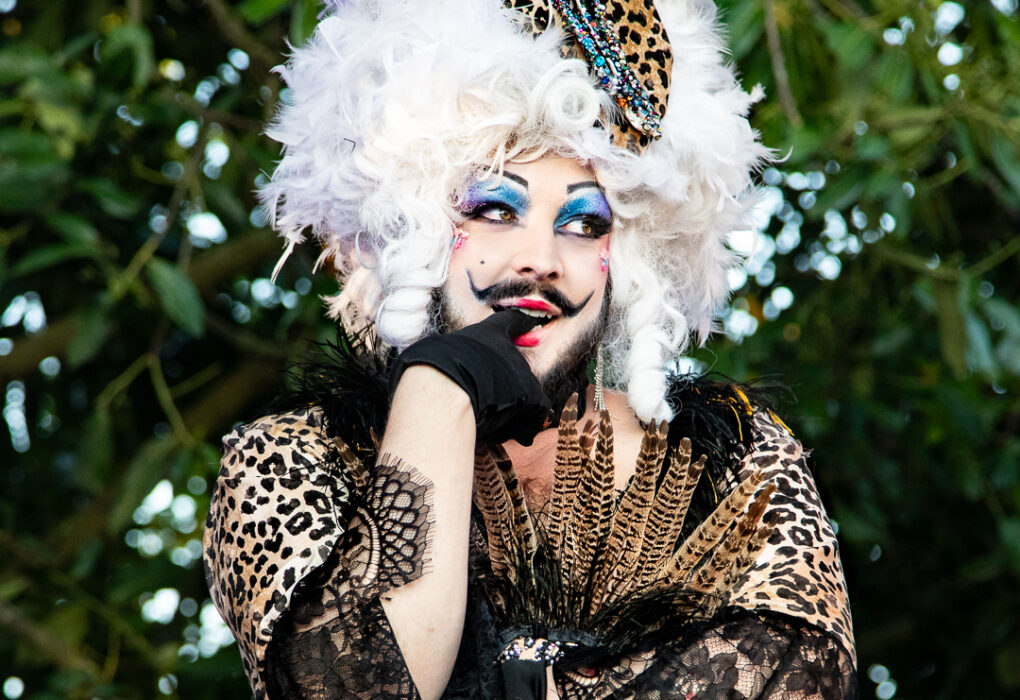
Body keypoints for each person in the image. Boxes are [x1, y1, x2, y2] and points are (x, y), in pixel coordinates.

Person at [202, 0, 857, 698]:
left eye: (582, 223)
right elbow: (355, 686)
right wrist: (437, 391)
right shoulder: (290, 459)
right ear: (415, 224)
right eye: (493, 210)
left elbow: (800, 673)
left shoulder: (738, 460)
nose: (540, 258)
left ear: (627, 259)